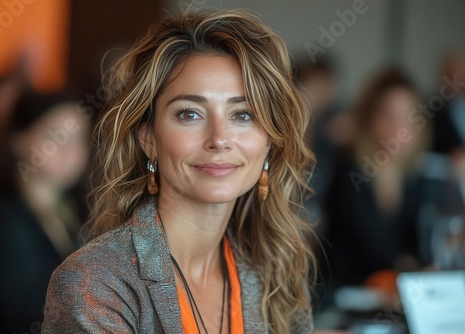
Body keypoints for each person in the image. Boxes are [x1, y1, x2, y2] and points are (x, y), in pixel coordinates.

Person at [42, 9, 316, 334]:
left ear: (270, 142)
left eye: (242, 115)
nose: (219, 139)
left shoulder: (276, 271)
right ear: (149, 139)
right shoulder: (97, 282)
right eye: (190, 114)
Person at [322, 68, 443, 293]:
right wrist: (412, 271)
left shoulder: (418, 179)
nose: (401, 128)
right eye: (389, 116)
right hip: (345, 298)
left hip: (395, 297)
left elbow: (421, 244)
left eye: (410, 116)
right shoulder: (349, 173)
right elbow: (372, 250)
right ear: (369, 120)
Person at [0, 92, 90, 333]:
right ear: (18, 140)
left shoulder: (76, 211)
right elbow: (22, 315)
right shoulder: (3, 222)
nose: (70, 150)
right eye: (56, 136)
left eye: (78, 138)